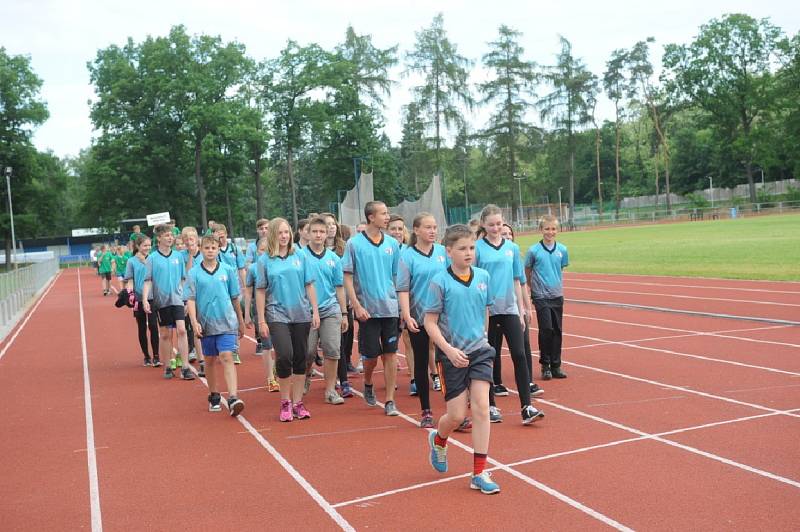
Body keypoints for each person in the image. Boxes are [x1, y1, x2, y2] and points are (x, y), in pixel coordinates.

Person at [425, 224, 499, 495]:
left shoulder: (483, 276)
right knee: (456, 415)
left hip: (480, 351)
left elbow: (484, 311)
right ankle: (440, 439)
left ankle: (479, 473)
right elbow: (429, 322)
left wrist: (484, 339)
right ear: (448, 251)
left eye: (471, 248)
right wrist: (448, 349)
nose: (469, 253)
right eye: (462, 249)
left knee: (481, 407)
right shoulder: (439, 281)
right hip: (451, 354)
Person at [476, 204, 543, 425]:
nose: (496, 228)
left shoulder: (511, 248)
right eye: (491, 224)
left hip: (509, 309)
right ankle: (491, 405)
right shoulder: (476, 248)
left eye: (499, 223)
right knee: (490, 357)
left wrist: (523, 308)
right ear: (483, 225)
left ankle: (526, 406)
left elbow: (517, 279)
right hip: (488, 311)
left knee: (520, 354)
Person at [255, 218, 320, 422]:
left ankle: (298, 402)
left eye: (287, 232)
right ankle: (285, 402)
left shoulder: (300, 256)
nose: (284, 236)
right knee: (285, 355)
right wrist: (261, 321)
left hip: (301, 313)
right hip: (277, 313)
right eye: (280, 233)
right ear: (273, 234)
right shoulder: (264, 260)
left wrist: (315, 311)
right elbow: (260, 290)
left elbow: (309, 285)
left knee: (301, 357)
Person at [342, 201, 401, 416]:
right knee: (371, 357)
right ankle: (367, 382)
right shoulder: (354, 244)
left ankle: (390, 401)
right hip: (367, 310)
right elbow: (347, 276)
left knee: (391, 354)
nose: (387, 217)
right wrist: (356, 305)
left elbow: (397, 277)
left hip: (390, 308)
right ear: (370, 217)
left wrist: (401, 306)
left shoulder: (392, 245)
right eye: (383, 214)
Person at [186, 235, 246, 416]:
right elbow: (190, 299)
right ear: (201, 249)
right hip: (206, 323)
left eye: (213, 248)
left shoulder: (227, 270)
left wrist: (241, 321)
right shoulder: (194, 273)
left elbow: (235, 297)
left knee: (227, 356)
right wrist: (194, 322)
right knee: (210, 360)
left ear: (218, 249)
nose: (210, 251)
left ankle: (233, 397)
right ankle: (213, 394)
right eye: (207, 248)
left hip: (227, 321)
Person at [398, 212, 447, 428]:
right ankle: (426, 410)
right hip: (419, 316)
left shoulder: (444, 253)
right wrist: (407, 315)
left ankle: (454, 408)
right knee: (420, 362)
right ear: (416, 230)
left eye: (435, 227)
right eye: (428, 227)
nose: (433, 231)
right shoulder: (407, 256)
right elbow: (403, 288)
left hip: (444, 318)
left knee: (447, 361)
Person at [491, 223, 543, 398]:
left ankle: (526, 385)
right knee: (493, 348)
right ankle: (495, 383)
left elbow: (520, 282)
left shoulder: (513, 251)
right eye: (503, 233)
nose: (506, 236)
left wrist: (526, 308)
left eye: (508, 233)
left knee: (522, 347)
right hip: (492, 309)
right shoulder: (483, 250)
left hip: (513, 307)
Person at [304, 216, 349, 405]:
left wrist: (344, 312)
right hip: (306, 311)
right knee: (308, 350)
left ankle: (330, 390)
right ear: (308, 233)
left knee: (332, 349)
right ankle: (305, 375)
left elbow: (339, 286)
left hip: (331, 309)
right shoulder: (300, 256)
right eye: (314, 231)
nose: (318, 235)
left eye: (322, 232)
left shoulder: (333, 258)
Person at [142, 224, 194, 381]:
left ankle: (185, 367)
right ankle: (168, 366)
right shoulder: (152, 258)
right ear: (159, 238)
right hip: (161, 301)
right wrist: (145, 299)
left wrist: (186, 300)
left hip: (178, 299)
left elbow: (184, 279)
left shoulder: (178, 257)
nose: (170, 238)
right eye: (166, 235)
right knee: (165, 334)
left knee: (182, 330)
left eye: (171, 235)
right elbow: (148, 281)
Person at [525, 215, 569, 380]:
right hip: (540, 295)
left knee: (557, 330)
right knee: (546, 329)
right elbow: (528, 270)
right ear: (541, 230)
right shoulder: (533, 251)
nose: (550, 232)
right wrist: (532, 287)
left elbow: (559, 269)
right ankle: (545, 365)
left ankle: (556, 365)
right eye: (547, 229)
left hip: (556, 295)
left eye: (553, 229)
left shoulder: (562, 250)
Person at [320, 213, 355, 396]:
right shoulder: (315, 250)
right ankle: (342, 380)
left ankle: (345, 370)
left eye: (334, 224)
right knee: (336, 344)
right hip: (324, 303)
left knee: (346, 339)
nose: (332, 227)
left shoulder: (344, 248)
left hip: (343, 300)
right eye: (328, 224)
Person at [244, 237, 279, 392]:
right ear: (257, 251)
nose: (265, 252)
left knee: (280, 345)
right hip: (261, 311)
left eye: (268, 249)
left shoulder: (278, 265)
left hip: (279, 310)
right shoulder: (253, 268)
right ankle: (270, 378)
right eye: (262, 250)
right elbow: (248, 292)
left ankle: (278, 371)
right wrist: (247, 314)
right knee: (267, 344)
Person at [214, 223, 247, 365]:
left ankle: (233, 349)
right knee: (222, 317)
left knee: (233, 317)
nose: (221, 236)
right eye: (217, 233)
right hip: (219, 287)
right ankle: (221, 347)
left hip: (234, 288)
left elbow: (241, 268)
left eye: (223, 233)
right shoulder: (214, 250)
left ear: (226, 234)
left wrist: (245, 286)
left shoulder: (235, 249)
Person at [125, 235, 159, 367]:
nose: (148, 248)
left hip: (152, 297)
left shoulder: (153, 259)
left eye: (149, 245)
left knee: (153, 326)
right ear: (138, 246)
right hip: (138, 298)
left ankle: (156, 356)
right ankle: (146, 355)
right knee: (141, 327)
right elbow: (130, 280)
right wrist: (130, 295)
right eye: (145, 245)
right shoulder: (131, 261)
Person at [180, 226, 205, 375]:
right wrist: (190, 255)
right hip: (190, 298)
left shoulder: (204, 253)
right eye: (186, 239)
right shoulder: (182, 256)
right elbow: (187, 274)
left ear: (197, 239)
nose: (189, 242)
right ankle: (201, 360)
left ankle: (209, 358)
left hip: (204, 295)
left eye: (192, 239)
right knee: (196, 329)